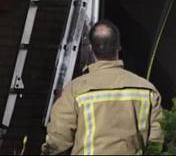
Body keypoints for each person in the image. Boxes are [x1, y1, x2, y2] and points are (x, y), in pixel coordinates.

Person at [42, 20, 163, 155]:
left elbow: (58, 139)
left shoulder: (75, 89)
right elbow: (156, 141)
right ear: (118, 47)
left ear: (91, 49)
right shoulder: (147, 90)